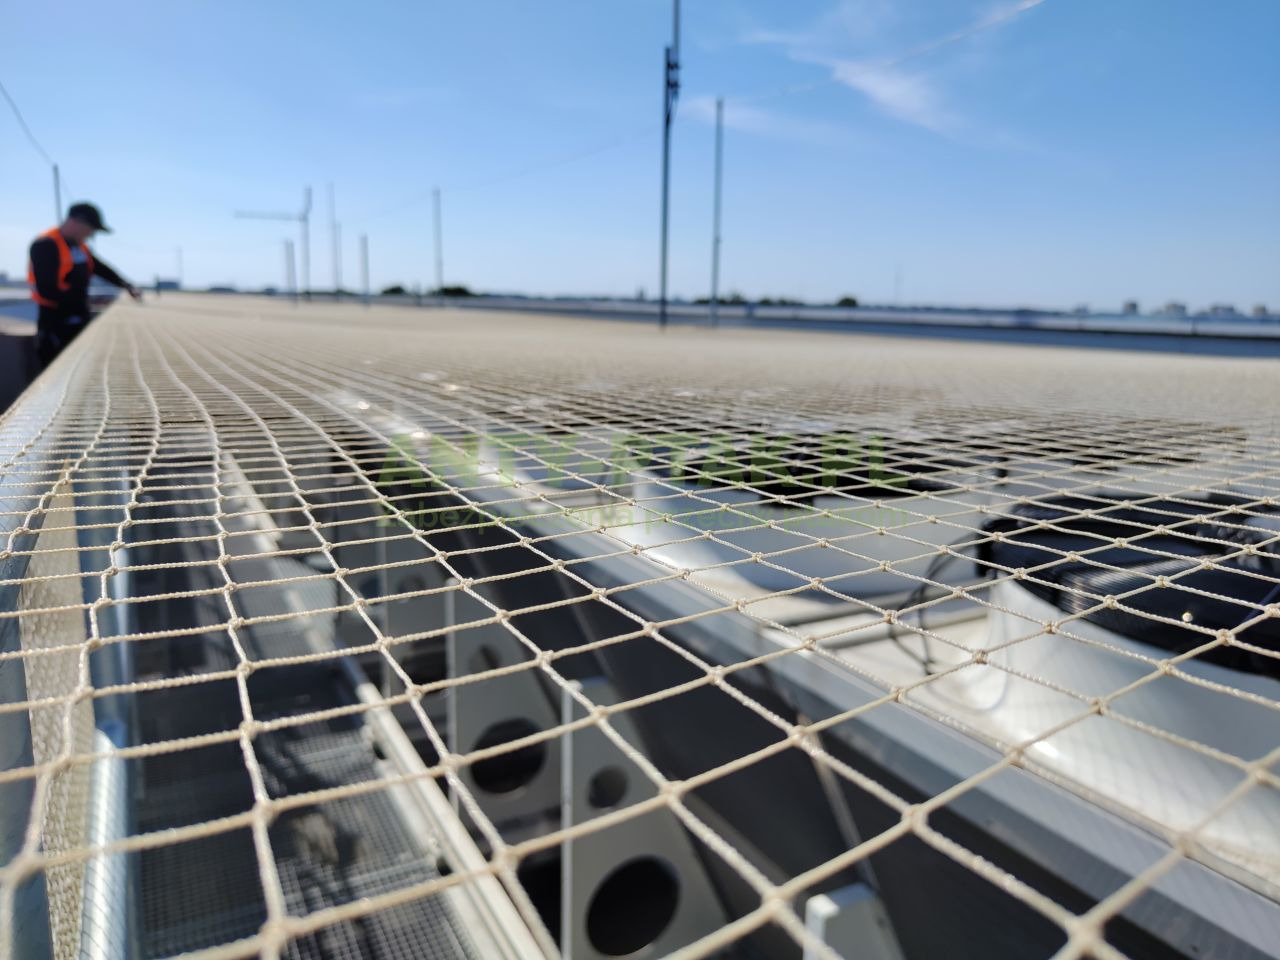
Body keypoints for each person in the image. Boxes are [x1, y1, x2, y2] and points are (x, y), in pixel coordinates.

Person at [27, 202, 142, 367]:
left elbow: (101, 269)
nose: (91, 234)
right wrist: (85, 301)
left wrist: (127, 285)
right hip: (54, 323)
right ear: (75, 222)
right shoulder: (45, 245)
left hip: (78, 318)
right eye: (90, 228)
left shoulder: (80, 247)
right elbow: (47, 290)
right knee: (57, 369)